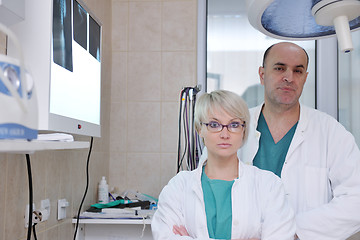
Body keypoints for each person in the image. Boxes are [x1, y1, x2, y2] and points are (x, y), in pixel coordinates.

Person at [200, 42, 360, 239]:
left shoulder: (331, 133)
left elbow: (355, 200)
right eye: (279, 68)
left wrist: (291, 231)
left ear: (305, 78)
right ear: (262, 74)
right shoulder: (231, 128)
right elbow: (202, 192)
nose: (289, 77)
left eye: (298, 71)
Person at [151, 90, 295, 240]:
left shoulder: (269, 186)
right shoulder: (178, 186)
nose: (225, 134)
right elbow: (164, 235)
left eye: (234, 124)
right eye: (214, 124)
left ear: (243, 130)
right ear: (200, 129)